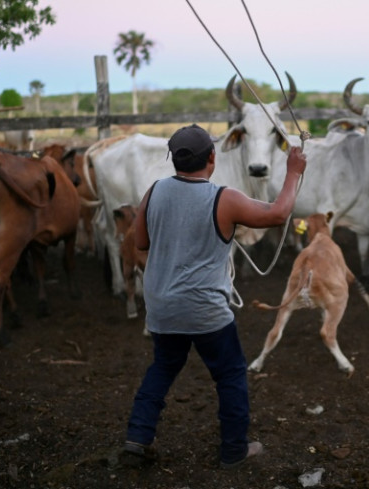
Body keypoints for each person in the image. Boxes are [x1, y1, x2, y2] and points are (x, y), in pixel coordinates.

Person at [120, 124, 306, 469]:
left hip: (162, 306)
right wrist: (294, 172)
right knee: (230, 374)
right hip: (205, 311)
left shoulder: (154, 191)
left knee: (162, 368)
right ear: (212, 158)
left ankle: (137, 437)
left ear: (173, 160)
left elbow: (141, 243)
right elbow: (279, 214)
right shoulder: (225, 198)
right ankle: (234, 449)